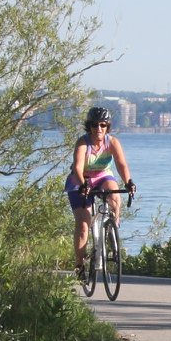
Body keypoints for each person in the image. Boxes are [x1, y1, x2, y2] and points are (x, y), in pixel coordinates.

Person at [67, 105, 134, 275]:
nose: (99, 129)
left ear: (107, 127)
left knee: (114, 192)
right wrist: (83, 185)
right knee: (83, 225)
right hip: (80, 178)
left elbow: (121, 164)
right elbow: (77, 166)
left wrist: (128, 182)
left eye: (103, 125)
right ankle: (80, 265)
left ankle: (113, 227)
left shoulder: (112, 142)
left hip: (102, 176)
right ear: (89, 126)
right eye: (95, 125)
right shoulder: (83, 142)